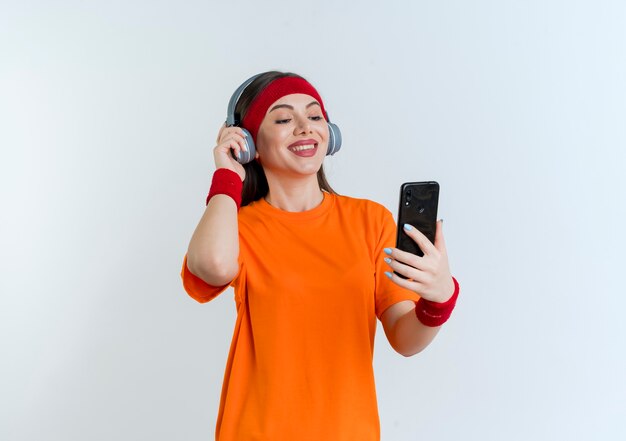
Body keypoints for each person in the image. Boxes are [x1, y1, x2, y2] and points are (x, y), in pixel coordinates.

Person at [181, 71, 459, 441]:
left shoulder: (369, 220)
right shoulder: (238, 226)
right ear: (249, 143)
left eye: (314, 116)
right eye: (283, 119)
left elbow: (405, 339)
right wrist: (227, 177)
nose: (305, 128)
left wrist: (438, 300)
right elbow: (211, 265)